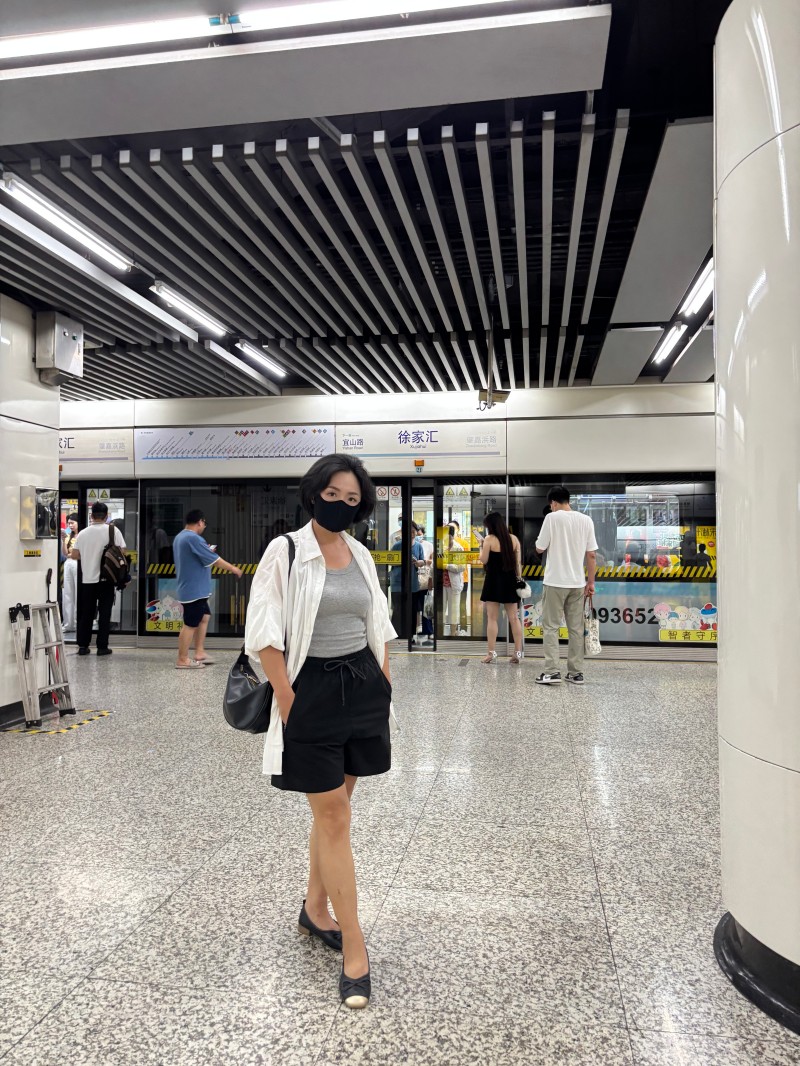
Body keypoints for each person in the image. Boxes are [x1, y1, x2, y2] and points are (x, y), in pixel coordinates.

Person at [245, 453, 396, 1011]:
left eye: (352, 499)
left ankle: (315, 908)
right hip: (309, 692)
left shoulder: (360, 553)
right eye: (333, 495)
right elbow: (263, 631)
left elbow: (377, 622)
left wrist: (384, 681)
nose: (341, 505)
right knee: (333, 815)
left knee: (336, 811)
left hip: (362, 689)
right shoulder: (285, 551)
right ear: (313, 495)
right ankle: (354, 947)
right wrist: (288, 700)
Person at [534, 485, 598, 685]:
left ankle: (552, 671)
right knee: (576, 629)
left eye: (551, 505)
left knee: (551, 627)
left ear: (553, 502)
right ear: (567, 500)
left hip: (554, 582)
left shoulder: (551, 518)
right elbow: (592, 555)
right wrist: (590, 582)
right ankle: (575, 673)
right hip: (577, 584)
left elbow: (539, 547)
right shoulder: (586, 520)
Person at [173, 510, 242, 669]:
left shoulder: (180, 537)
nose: (204, 526)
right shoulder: (193, 538)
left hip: (193, 588)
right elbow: (215, 560)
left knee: (204, 617)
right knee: (190, 624)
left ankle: (199, 652)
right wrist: (234, 569)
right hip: (193, 591)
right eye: (204, 523)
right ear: (200, 522)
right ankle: (182, 659)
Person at [70, 502, 126, 657]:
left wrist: (89, 556)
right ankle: (102, 647)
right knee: (105, 613)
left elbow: (74, 555)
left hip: (88, 580)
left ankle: (83, 646)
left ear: (92, 516)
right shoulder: (113, 531)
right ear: (106, 516)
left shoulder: (83, 533)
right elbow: (123, 552)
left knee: (87, 614)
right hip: (106, 579)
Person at [479, 511, 524, 664]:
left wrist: (481, 546)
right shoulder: (514, 539)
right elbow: (518, 564)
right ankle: (517, 652)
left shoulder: (489, 539)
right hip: (510, 581)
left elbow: (484, 560)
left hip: (493, 581)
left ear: (490, 526)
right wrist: (519, 581)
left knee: (492, 618)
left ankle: (491, 653)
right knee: (514, 618)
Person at [389, 521, 424, 640]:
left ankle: (411, 635)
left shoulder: (418, 546)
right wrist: (403, 561)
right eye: (410, 532)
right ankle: (396, 635)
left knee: (412, 610)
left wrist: (419, 562)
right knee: (398, 610)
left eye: (414, 532)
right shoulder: (397, 546)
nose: (412, 534)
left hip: (412, 583)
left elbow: (422, 561)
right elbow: (390, 561)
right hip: (398, 583)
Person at [442, 524, 465, 636]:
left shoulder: (458, 548)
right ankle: (440, 633)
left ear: (452, 535)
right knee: (441, 609)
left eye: (447, 536)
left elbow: (461, 567)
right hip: (442, 583)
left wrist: (447, 566)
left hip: (453, 584)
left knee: (454, 610)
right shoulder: (441, 547)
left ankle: (452, 633)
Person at [61, 513, 80, 633]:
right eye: (69, 523)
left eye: (72, 523)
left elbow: (78, 554)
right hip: (68, 564)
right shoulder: (68, 536)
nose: (70, 525)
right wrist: (63, 540)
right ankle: (68, 624)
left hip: (79, 564)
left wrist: (71, 554)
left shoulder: (82, 535)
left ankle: (78, 622)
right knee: (67, 593)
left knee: (78, 593)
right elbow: (65, 553)